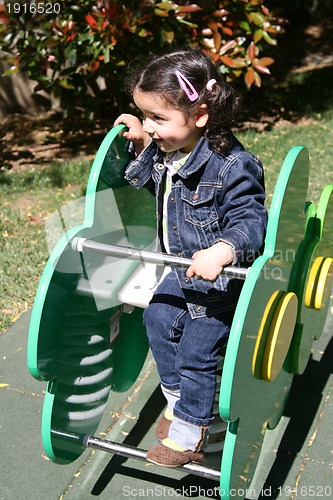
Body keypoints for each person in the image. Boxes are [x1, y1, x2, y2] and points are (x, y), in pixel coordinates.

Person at [114, 46, 267, 467]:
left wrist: (222, 250)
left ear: (200, 117)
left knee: (198, 353)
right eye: (146, 114)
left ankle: (192, 429)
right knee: (156, 320)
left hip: (218, 284)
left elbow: (252, 219)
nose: (151, 125)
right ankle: (181, 405)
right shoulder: (172, 149)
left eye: (158, 119)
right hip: (179, 271)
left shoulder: (232, 165)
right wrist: (144, 140)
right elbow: (154, 184)